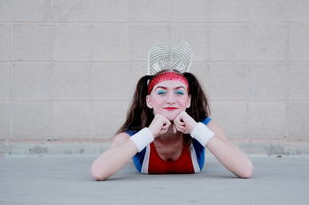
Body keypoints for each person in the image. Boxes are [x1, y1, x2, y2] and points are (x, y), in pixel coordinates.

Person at [91, 42, 253, 180]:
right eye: (161, 92)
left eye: (179, 92)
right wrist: (149, 134)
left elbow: (245, 169)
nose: (170, 99)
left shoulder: (203, 127)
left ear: (188, 100)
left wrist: (196, 130)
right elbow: (98, 172)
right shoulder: (134, 134)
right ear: (149, 101)